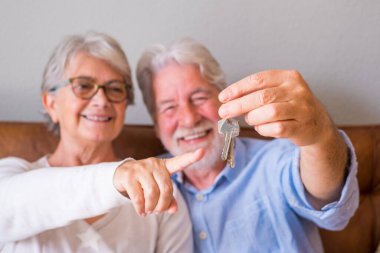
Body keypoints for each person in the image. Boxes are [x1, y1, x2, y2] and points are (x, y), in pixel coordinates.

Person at [136, 38, 359, 253]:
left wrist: (320, 138)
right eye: (169, 108)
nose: (189, 119)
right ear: (156, 125)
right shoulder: (147, 184)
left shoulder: (274, 160)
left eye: (199, 97)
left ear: (224, 101)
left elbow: (331, 205)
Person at [0, 32, 204, 253]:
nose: (101, 100)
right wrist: (117, 176)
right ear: (51, 103)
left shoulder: (160, 191)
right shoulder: (13, 174)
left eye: (115, 88)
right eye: (83, 85)